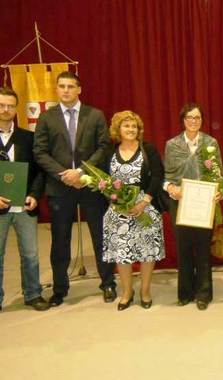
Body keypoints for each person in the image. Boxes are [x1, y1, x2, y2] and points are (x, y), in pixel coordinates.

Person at [33, 71, 116, 306]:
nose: (66, 90)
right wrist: (64, 174)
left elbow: (103, 147)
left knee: (101, 237)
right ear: (57, 90)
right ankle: (60, 289)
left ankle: (108, 283)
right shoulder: (46, 117)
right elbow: (40, 151)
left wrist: (81, 172)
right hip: (60, 187)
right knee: (60, 240)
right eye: (62, 86)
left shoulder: (95, 115)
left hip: (90, 185)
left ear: (79, 89)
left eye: (71, 86)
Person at [102, 111, 165, 310]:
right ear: (118, 129)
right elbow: (102, 179)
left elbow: (157, 176)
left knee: (147, 252)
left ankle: (145, 291)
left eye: (134, 126)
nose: (130, 130)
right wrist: (113, 197)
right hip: (117, 211)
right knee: (122, 253)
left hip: (144, 207)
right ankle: (127, 291)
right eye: (126, 126)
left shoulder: (148, 149)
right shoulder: (109, 151)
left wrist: (144, 202)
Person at [164, 103, 223, 310]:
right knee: (184, 248)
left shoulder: (211, 143)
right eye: (189, 117)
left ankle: (204, 294)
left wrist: (219, 191)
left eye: (197, 118)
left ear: (202, 120)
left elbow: (219, 174)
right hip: (180, 203)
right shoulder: (172, 145)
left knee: (202, 249)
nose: (193, 121)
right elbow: (166, 177)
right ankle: (185, 293)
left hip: (203, 204)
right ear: (183, 120)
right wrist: (172, 188)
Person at [0, 87, 48, 311]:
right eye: (1, 105)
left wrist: (34, 195)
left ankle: (32, 294)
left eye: (10, 105)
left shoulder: (27, 137)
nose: (6, 109)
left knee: (30, 254)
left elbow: (39, 171)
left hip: (24, 205)